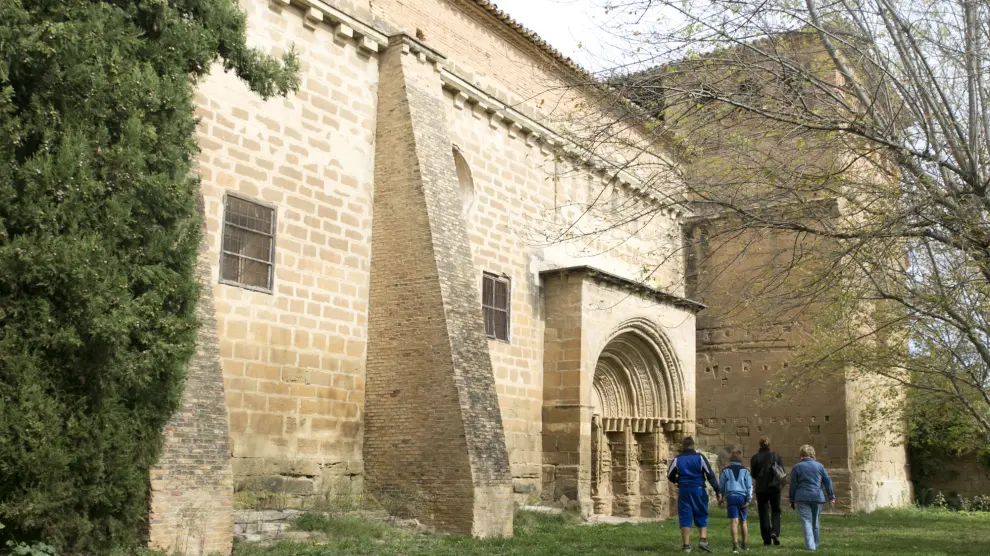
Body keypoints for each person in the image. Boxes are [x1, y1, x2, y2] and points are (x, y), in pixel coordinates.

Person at [668, 436, 722, 553]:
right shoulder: (700, 458)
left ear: (683, 446)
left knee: (685, 515)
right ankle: (703, 539)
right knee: (701, 512)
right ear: (693, 446)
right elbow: (710, 474)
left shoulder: (678, 459)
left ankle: (686, 545)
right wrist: (717, 490)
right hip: (698, 489)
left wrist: (678, 480)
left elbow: (670, 475)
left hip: (684, 490)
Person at [788, 445, 836, 551]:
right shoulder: (819, 466)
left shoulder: (797, 467)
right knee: (815, 522)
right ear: (812, 454)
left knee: (806, 521)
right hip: (817, 496)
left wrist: (791, 499)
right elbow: (828, 482)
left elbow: (793, 485)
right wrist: (831, 497)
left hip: (802, 496)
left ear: (801, 454)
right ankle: (816, 544)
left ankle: (810, 546)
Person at [750, 436, 785, 546]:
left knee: (763, 513)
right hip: (774, 488)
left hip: (761, 489)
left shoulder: (755, 457)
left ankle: (766, 539)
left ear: (760, 444)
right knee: (775, 510)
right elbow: (781, 473)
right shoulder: (776, 456)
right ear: (769, 445)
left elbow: (753, 474)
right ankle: (774, 531)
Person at [718, 448, 753, 553]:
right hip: (742, 497)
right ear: (741, 459)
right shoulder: (746, 471)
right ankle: (744, 544)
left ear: (730, 459)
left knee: (734, 521)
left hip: (731, 496)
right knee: (743, 522)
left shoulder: (726, 470)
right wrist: (749, 499)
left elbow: (722, 486)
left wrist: (721, 498)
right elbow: (749, 486)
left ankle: (735, 546)